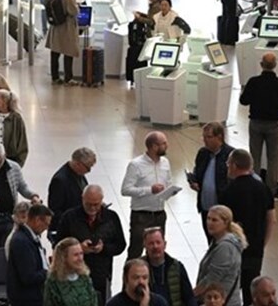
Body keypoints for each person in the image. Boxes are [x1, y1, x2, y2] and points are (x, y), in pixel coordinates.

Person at [57, 185, 127, 306]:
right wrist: (79, 249)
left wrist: (103, 248)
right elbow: (58, 246)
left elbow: (120, 245)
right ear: (82, 198)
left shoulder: (111, 217)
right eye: (89, 204)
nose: (92, 208)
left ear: (102, 200)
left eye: (96, 204)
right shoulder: (69, 217)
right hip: (74, 275)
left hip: (101, 274)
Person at [222, 149, 275, 306]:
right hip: (256, 250)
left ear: (234, 165)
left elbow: (223, 223)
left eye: (228, 164)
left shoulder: (229, 191)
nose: (227, 167)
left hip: (234, 250)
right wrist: (262, 243)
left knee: (229, 289)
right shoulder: (263, 188)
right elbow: (271, 219)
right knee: (251, 291)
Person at [239, 53, 278, 199]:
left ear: (261, 65)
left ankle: (254, 186)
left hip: (255, 123)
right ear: (275, 65)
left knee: (254, 156)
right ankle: (272, 189)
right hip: (274, 125)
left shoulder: (253, 82)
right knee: (273, 157)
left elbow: (243, 101)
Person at [121, 131, 173, 259]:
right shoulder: (136, 164)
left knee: (157, 251)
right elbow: (125, 189)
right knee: (136, 250)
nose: (167, 145)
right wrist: (150, 190)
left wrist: (170, 191)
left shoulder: (165, 162)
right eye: (164, 143)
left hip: (160, 214)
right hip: (141, 215)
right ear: (154, 146)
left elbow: (169, 182)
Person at [190, 122, 236, 239]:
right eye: (203, 137)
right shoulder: (203, 153)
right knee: (210, 239)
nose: (205, 140)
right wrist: (193, 181)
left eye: (208, 137)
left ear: (219, 137)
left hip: (222, 208)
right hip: (206, 207)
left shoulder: (231, 155)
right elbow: (197, 172)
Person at [194, 205, 246, 306]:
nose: (209, 223)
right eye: (208, 219)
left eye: (214, 220)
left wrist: (192, 294)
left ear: (225, 223)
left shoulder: (225, 247)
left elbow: (212, 278)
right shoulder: (218, 242)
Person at [6, 204, 54, 306]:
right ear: (37, 220)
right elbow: (28, 277)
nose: (46, 228)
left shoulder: (28, 238)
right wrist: (49, 272)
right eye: (46, 224)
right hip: (26, 298)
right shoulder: (21, 241)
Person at [48, 148, 97, 240]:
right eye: (88, 167)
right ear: (78, 163)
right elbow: (55, 210)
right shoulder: (60, 180)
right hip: (66, 230)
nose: (89, 171)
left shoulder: (79, 174)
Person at [141, 228, 197, 306]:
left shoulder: (177, 267)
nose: (155, 246)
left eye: (158, 242)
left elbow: (189, 297)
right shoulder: (137, 269)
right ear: (145, 246)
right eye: (151, 243)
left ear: (164, 244)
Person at [43, 237, 99, 306]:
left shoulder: (84, 278)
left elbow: (93, 301)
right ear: (64, 258)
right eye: (76, 255)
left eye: (81, 253)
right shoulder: (53, 282)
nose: (80, 258)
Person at [46, 0, 81, 85]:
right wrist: (77, 6)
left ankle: (55, 76)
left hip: (55, 26)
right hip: (66, 27)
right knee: (68, 51)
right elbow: (73, 11)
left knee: (55, 52)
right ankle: (68, 78)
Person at [0, 90, 28, 166]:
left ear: (4, 101)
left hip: (10, 161)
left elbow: (22, 143)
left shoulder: (16, 119)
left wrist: (18, 164)